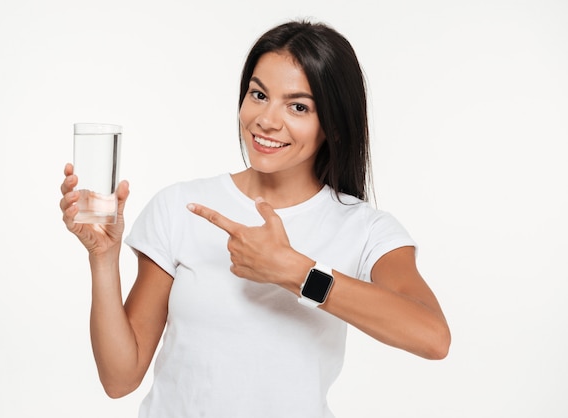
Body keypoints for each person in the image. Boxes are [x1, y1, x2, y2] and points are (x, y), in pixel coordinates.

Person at [60, 19, 450, 418]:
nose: (267, 120)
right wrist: (103, 259)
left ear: (332, 124)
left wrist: (295, 271)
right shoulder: (181, 206)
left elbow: (432, 337)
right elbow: (119, 379)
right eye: (259, 95)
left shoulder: (364, 228)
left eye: (298, 106)